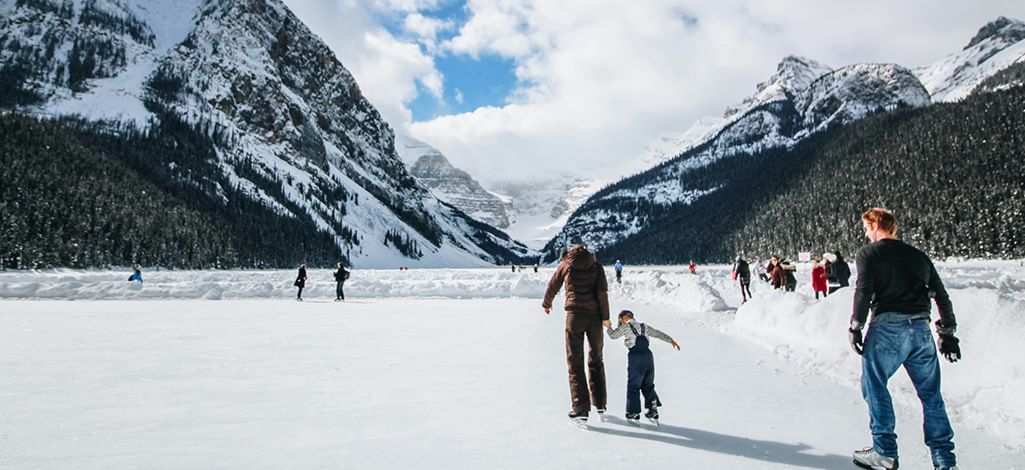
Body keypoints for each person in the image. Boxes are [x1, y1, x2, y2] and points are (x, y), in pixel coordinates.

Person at [847, 208, 961, 470]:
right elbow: (941, 295)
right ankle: (945, 460)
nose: (866, 233)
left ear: (876, 225)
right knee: (931, 395)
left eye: (866, 227)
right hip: (921, 330)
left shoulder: (869, 253)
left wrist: (856, 326)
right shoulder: (918, 256)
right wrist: (947, 333)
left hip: (887, 329)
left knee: (874, 384)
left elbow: (863, 290)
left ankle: (884, 451)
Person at [542, 244, 610, 426]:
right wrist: (606, 317)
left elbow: (553, 285)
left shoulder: (566, 264)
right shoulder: (596, 266)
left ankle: (580, 410)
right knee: (596, 358)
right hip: (595, 318)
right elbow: (602, 293)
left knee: (575, 362)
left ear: (570, 253)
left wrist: (546, 304)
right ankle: (600, 404)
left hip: (575, 317)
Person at [606, 310, 679, 424]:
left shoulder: (625, 327)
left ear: (622, 318)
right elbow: (657, 333)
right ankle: (652, 409)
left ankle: (633, 412)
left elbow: (613, 336)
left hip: (636, 357)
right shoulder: (644, 326)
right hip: (649, 357)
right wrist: (671, 340)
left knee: (634, 385)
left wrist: (608, 326)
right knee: (648, 384)